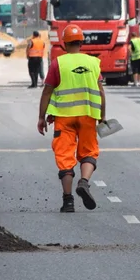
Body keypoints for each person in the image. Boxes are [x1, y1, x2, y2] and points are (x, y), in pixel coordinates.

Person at [38, 23, 106, 213]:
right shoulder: (93, 63)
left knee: (65, 157)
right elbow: (101, 92)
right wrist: (102, 116)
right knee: (89, 152)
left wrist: (41, 117)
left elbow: (47, 92)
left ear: (64, 44)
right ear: (81, 42)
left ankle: (68, 201)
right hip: (88, 116)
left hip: (64, 118)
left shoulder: (58, 63)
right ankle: (84, 182)